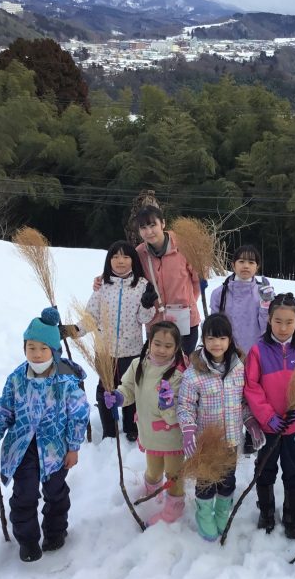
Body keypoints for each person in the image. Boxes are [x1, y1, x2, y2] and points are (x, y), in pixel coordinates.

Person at [0, 308, 90, 562]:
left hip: (55, 449)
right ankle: (27, 541)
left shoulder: (65, 381)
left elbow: (79, 415)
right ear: (24, 348)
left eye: (43, 348)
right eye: (31, 347)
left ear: (54, 350)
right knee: (24, 495)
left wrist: (73, 447)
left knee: (55, 492)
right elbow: (5, 411)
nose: (37, 354)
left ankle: (55, 531)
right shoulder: (17, 378)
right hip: (23, 448)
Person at [244, 293, 295, 539]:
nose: (283, 327)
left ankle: (292, 515)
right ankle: (266, 511)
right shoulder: (258, 351)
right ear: (269, 320)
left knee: (293, 471)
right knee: (265, 469)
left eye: (289, 322)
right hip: (269, 427)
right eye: (278, 321)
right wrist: (267, 417)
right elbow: (251, 387)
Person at [176, 314, 261, 541]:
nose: (217, 344)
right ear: (203, 339)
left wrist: (250, 421)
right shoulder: (194, 374)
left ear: (230, 340)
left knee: (227, 479)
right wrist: (188, 429)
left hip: (231, 441)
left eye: (222, 338)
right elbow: (185, 405)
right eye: (211, 338)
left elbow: (244, 402)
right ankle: (204, 512)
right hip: (206, 441)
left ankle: (223, 510)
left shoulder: (239, 369)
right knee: (205, 481)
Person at [65, 240, 154, 442]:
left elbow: (144, 319)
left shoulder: (141, 285)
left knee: (129, 388)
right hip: (105, 351)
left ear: (133, 260)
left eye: (125, 256)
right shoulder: (102, 286)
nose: (120, 261)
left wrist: (148, 304)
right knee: (105, 389)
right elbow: (91, 317)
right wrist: (74, 330)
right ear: (109, 261)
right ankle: (109, 429)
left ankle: (131, 427)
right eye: (115, 256)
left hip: (131, 350)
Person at [104, 321, 188, 525]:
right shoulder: (138, 365)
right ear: (149, 342)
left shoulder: (179, 374)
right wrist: (119, 397)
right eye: (157, 343)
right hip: (149, 433)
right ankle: (152, 493)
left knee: (173, 474)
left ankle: (175, 506)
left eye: (168, 346)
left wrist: (168, 404)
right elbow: (129, 388)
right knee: (153, 470)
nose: (161, 350)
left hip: (172, 437)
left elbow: (178, 413)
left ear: (176, 348)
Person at [210, 244, 274, 454]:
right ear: (233, 264)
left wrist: (267, 305)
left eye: (251, 262)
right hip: (226, 352)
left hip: (253, 352)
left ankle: (250, 432)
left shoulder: (262, 292)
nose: (246, 266)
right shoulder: (221, 292)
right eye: (241, 261)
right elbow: (216, 323)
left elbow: (266, 327)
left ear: (257, 266)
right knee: (229, 393)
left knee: (252, 392)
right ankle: (229, 432)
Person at [132, 205, 202, 355]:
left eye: (153, 225)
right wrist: (101, 279)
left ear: (162, 223)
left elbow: (197, 281)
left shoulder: (184, 245)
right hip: (156, 323)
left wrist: (188, 301)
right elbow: (124, 273)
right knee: (159, 370)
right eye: (143, 227)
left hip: (185, 321)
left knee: (183, 368)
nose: (149, 232)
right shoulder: (139, 253)